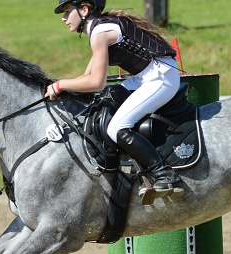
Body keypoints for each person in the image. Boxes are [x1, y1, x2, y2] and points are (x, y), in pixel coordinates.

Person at [46, 0, 183, 197]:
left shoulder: (100, 33)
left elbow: (96, 83)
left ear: (84, 10)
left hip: (160, 77)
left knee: (116, 127)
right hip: (145, 76)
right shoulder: (99, 28)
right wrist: (57, 86)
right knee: (102, 101)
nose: (64, 18)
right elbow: (86, 77)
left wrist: (59, 85)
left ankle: (163, 174)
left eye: (67, 11)